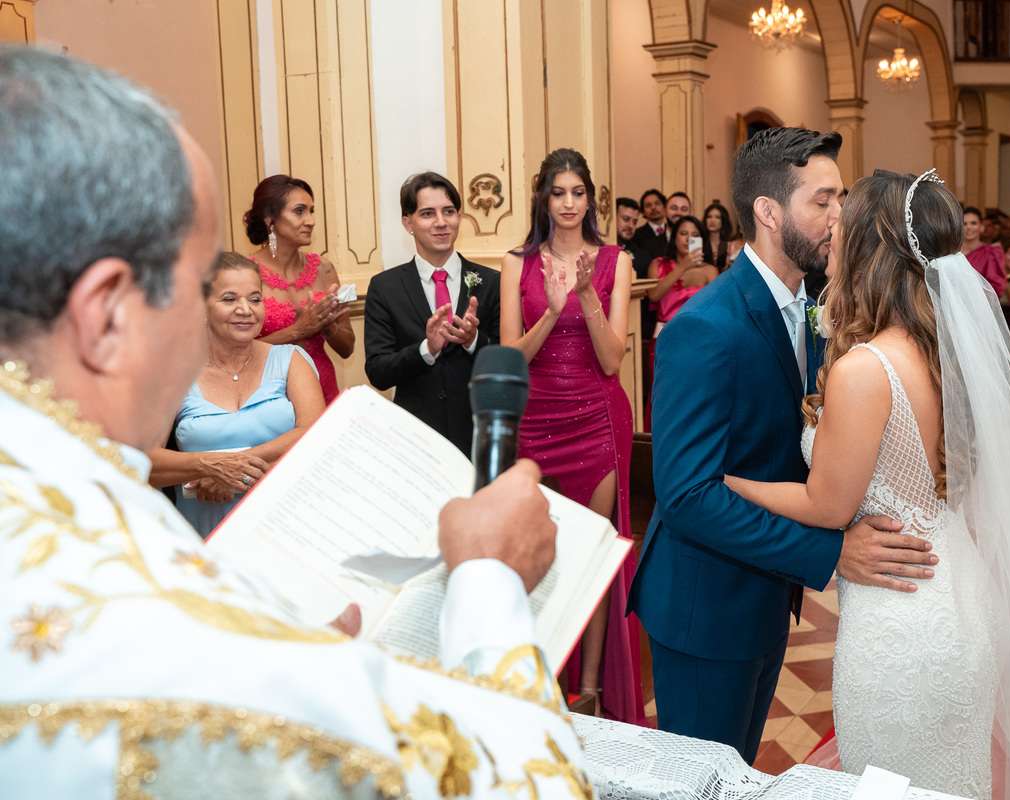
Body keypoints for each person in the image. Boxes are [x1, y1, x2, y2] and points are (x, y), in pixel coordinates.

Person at [0, 47, 589, 799]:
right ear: (107, 315)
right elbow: (522, 779)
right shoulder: (175, 639)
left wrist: (301, 664)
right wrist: (489, 581)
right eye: (195, 288)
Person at [721, 168, 1010, 798]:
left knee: (886, 783)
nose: (833, 235)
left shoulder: (865, 368)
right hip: (962, 593)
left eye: (844, 228)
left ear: (872, 253)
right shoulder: (950, 353)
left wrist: (727, 482)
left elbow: (827, 504)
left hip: (900, 616)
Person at [628, 128, 936, 765]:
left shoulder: (820, 309)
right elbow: (686, 495)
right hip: (705, 607)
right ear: (768, 213)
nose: (838, 217)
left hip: (766, 597)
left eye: (842, 200)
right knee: (702, 781)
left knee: (738, 773)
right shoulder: (704, 328)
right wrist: (830, 551)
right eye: (822, 202)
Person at [499, 148, 643, 725]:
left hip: (595, 415)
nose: (567, 203)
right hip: (535, 417)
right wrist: (550, 313)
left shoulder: (616, 261)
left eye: (577, 192)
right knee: (539, 551)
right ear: (543, 197)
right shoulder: (517, 263)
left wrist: (585, 295)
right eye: (557, 193)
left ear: (590, 198)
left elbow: (612, 361)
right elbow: (512, 356)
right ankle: (542, 676)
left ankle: (588, 690)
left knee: (589, 551)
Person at [148, 252, 325, 538]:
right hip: (206, 533)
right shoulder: (174, 374)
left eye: (255, 299)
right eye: (229, 299)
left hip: (289, 526)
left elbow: (314, 434)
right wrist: (208, 466)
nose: (246, 309)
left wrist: (233, 471)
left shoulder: (291, 360)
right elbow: (145, 460)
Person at [363, 172, 498, 456]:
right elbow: (378, 371)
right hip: (415, 436)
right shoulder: (385, 287)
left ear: (459, 217)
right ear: (407, 223)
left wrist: (473, 340)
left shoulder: (491, 281)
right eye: (427, 213)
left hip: (479, 431)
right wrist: (426, 349)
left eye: (448, 211)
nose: (441, 222)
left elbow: (505, 360)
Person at [243, 175, 355, 405]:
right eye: (299, 211)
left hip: (321, 385)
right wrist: (298, 330)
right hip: (269, 392)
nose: (311, 220)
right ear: (270, 218)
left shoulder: (324, 269)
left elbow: (347, 349)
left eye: (311, 211)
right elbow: (235, 350)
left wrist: (328, 324)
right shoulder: (245, 273)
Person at [643, 215, 720, 431]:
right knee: (661, 396)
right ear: (674, 236)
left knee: (696, 398)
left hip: (698, 344)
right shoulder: (657, 265)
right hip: (662, 341)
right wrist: (682, 267)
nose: (688, 239)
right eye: (683, 233)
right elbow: (654, 295)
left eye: (695, 235)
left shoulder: (709, 271)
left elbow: (715, 311)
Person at [962, 206, 1006, 296]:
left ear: (981, 227)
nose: (968, 227)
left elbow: (997, 288)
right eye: (964, 223)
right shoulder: (950, 253)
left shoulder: (991, 253)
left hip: (978, 306)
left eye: (973, 223)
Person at [615, 195, 653, 279]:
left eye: (635, 222)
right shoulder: (596, 250)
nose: (631, 226)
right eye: (626, 219)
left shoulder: (643, 256)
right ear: (613, 218)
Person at [630, 188, 670, 260]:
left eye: (657, 203)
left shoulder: (672, 231)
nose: (653, 208)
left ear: (664, 207)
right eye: (648, 205)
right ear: (643, 212)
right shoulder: (636, 235)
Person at [702, 201, 736, 271]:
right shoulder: (701, 243)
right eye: (709, 217)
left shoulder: (730, 244)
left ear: (723, 220)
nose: (712, 220)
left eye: (717, 217)